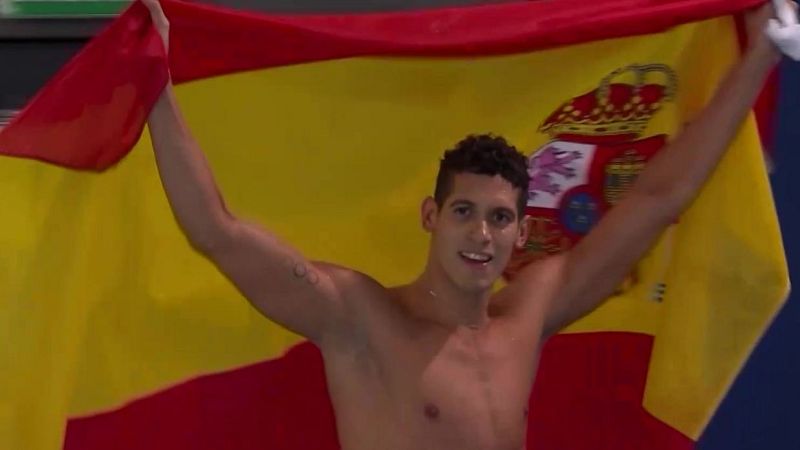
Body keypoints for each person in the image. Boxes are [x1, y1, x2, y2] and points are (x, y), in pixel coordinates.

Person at [141, 0, 788, 448]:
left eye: (499, 218)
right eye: (464, 212)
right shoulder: (361, 319)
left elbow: (658, 198)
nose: (480, 233)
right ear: (432, 217)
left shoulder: (526, 317)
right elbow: (215, 230)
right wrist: (156, 88)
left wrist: (761, 53)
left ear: (520, 235)